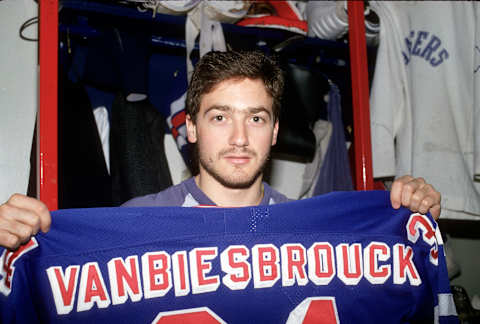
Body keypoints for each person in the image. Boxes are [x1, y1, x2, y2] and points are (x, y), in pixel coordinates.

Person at [0, 50, 441, 251]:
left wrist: (407, 214)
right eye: (218, 117)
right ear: (190, 128)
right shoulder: (133, 224)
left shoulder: (312, 232)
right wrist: (13, 242)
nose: (238, 138)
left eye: (255, 118)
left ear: (274, 132)